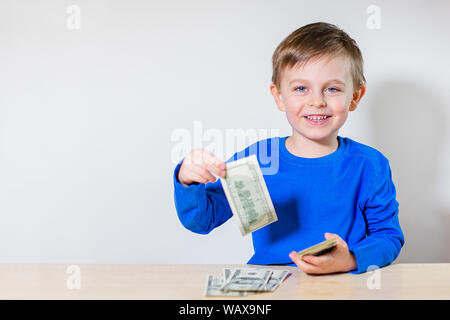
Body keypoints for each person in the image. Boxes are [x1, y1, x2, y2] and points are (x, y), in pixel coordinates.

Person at [172, 22, 404, 274]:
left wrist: (350, 258)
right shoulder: (258, 160)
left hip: (345, 282)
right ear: (279, 96)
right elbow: (202, 220)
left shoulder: (369, 165)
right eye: (301, 88)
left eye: (333, 88)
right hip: (272, 286)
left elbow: (388, 237)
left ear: (355, 97)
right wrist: (187, 180)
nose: (317, 101)